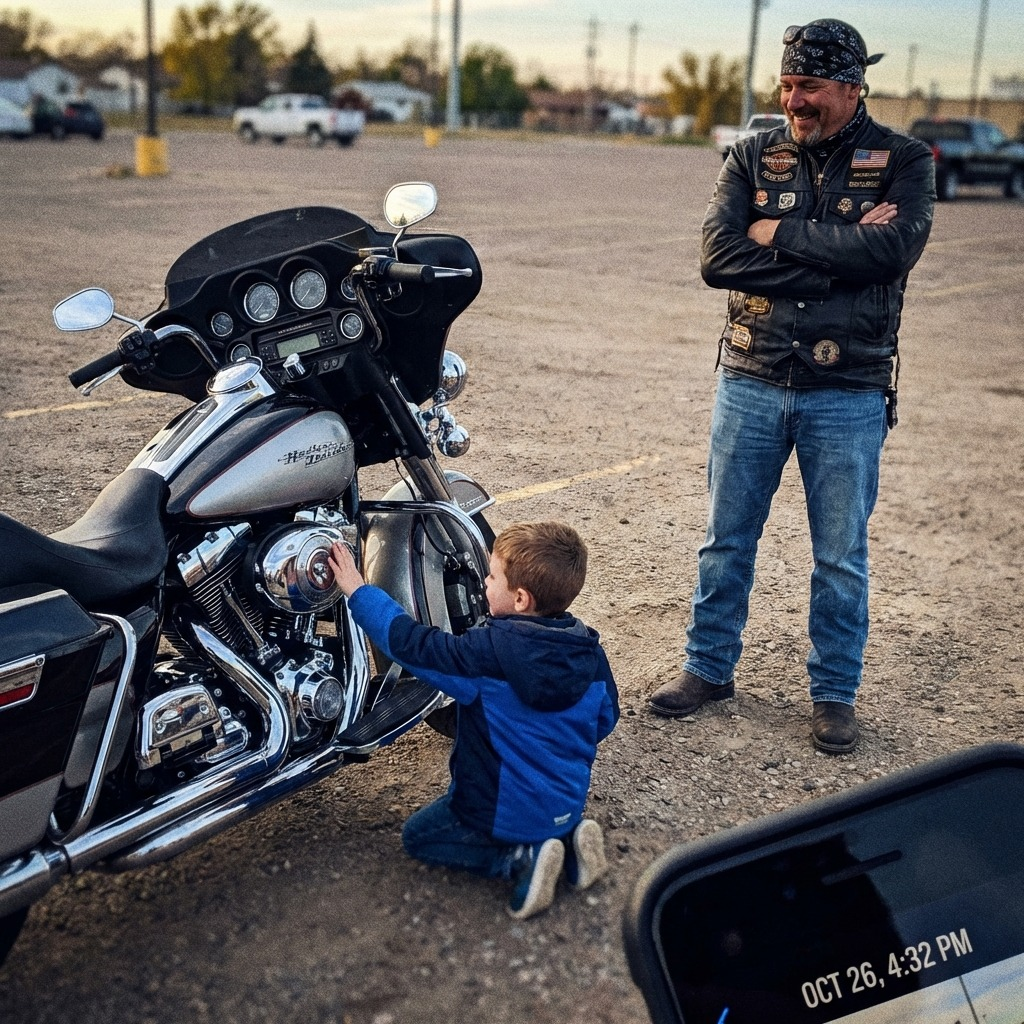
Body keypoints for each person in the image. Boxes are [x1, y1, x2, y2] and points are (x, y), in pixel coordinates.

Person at [648, 19, 935, 754]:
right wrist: (842, 255)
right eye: (786, 85)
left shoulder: (904, 160)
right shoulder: (752, 154)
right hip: (750, 376)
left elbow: (894, 250)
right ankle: (709, 670)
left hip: (849, 389)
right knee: (724, 542)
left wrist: (775, 234)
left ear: (850, 86)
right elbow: (718, 257)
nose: (793, 100)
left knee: (840, 555)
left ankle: (834, 694)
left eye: (809, 86)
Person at [328, 521, 619, 919]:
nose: (483, 582)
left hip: (496, 809)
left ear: (519, 599)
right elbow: (606, 719)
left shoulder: (486, 657)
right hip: (567, 797)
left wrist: (358, 592)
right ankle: (566, 838)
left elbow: (412, 645)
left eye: (492, 575)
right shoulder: (589, 649)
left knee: (418, 837)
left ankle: (518, 858)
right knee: (544, 807)